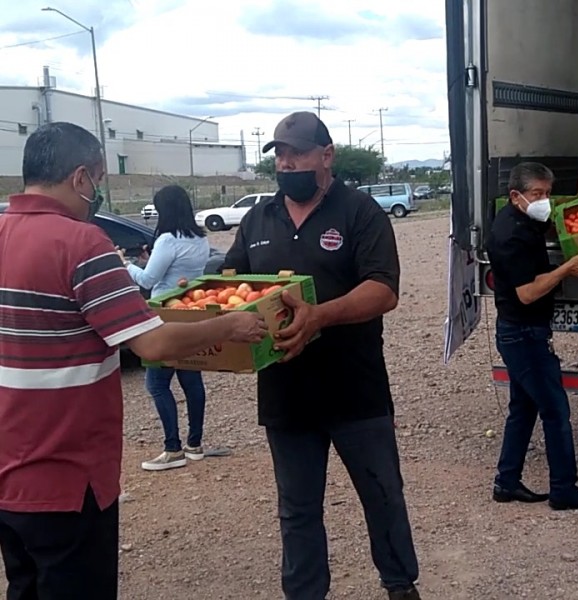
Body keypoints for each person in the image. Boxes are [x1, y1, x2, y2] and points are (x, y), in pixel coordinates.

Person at [0, 122, 267, 600]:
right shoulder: (82, 244)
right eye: (98, 180)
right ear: (81, 178)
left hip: (8, 469)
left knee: (24, 587)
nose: (96, 192)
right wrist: (231, 325)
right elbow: (154, 347)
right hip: (68, 475)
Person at [222, 112, 420, 600]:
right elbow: (233, 280)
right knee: (297, 508)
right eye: (280, 155)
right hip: (285, 392)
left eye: (297, 153)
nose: (287, 163)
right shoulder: (258, 219)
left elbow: (383, 290)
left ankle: (400, 586)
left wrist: (319, 316)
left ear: (326, 156)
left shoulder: (360, 213)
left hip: (355, 389)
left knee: (382, 496)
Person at [488, 162, 578, 511]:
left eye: (548, 194)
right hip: (523, 334)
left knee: (522, 409)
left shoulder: (524, 221)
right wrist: (567, 269)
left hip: (518, 331)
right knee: (555, 410)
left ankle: (506, 483)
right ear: (516, 196)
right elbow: (527, 292)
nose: (545, 201)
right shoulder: (511, 235)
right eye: (538, 195)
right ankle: (563, 489)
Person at [122, 185, 211, 471]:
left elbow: (148, 281)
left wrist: (124, 264)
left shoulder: (168, 240)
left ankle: (172, 448)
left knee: (157, 383)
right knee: (191, 379)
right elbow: (180, 273)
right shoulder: (199, 239)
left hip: (164, 315)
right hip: (189, 313)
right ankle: (195, 444)